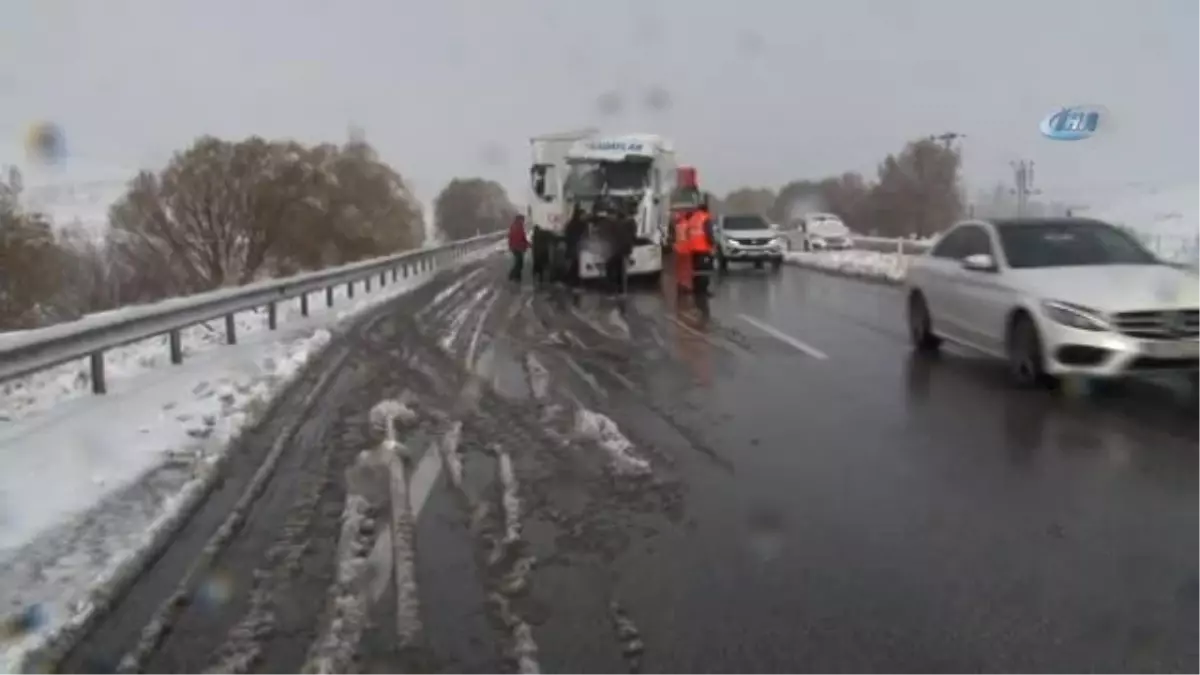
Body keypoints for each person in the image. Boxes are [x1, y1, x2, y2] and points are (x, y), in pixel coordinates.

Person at [507, 214, 529, 282]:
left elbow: (511, 237)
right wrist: (526, 244)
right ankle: (512, 275)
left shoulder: (514, 225)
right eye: (523, 220)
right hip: (517, 247)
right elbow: (521, 238)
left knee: (518, 262)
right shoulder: (519, 226)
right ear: (520, 219)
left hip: (515, 247)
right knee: (519, 263)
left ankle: (517, 277)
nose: (523, 221)